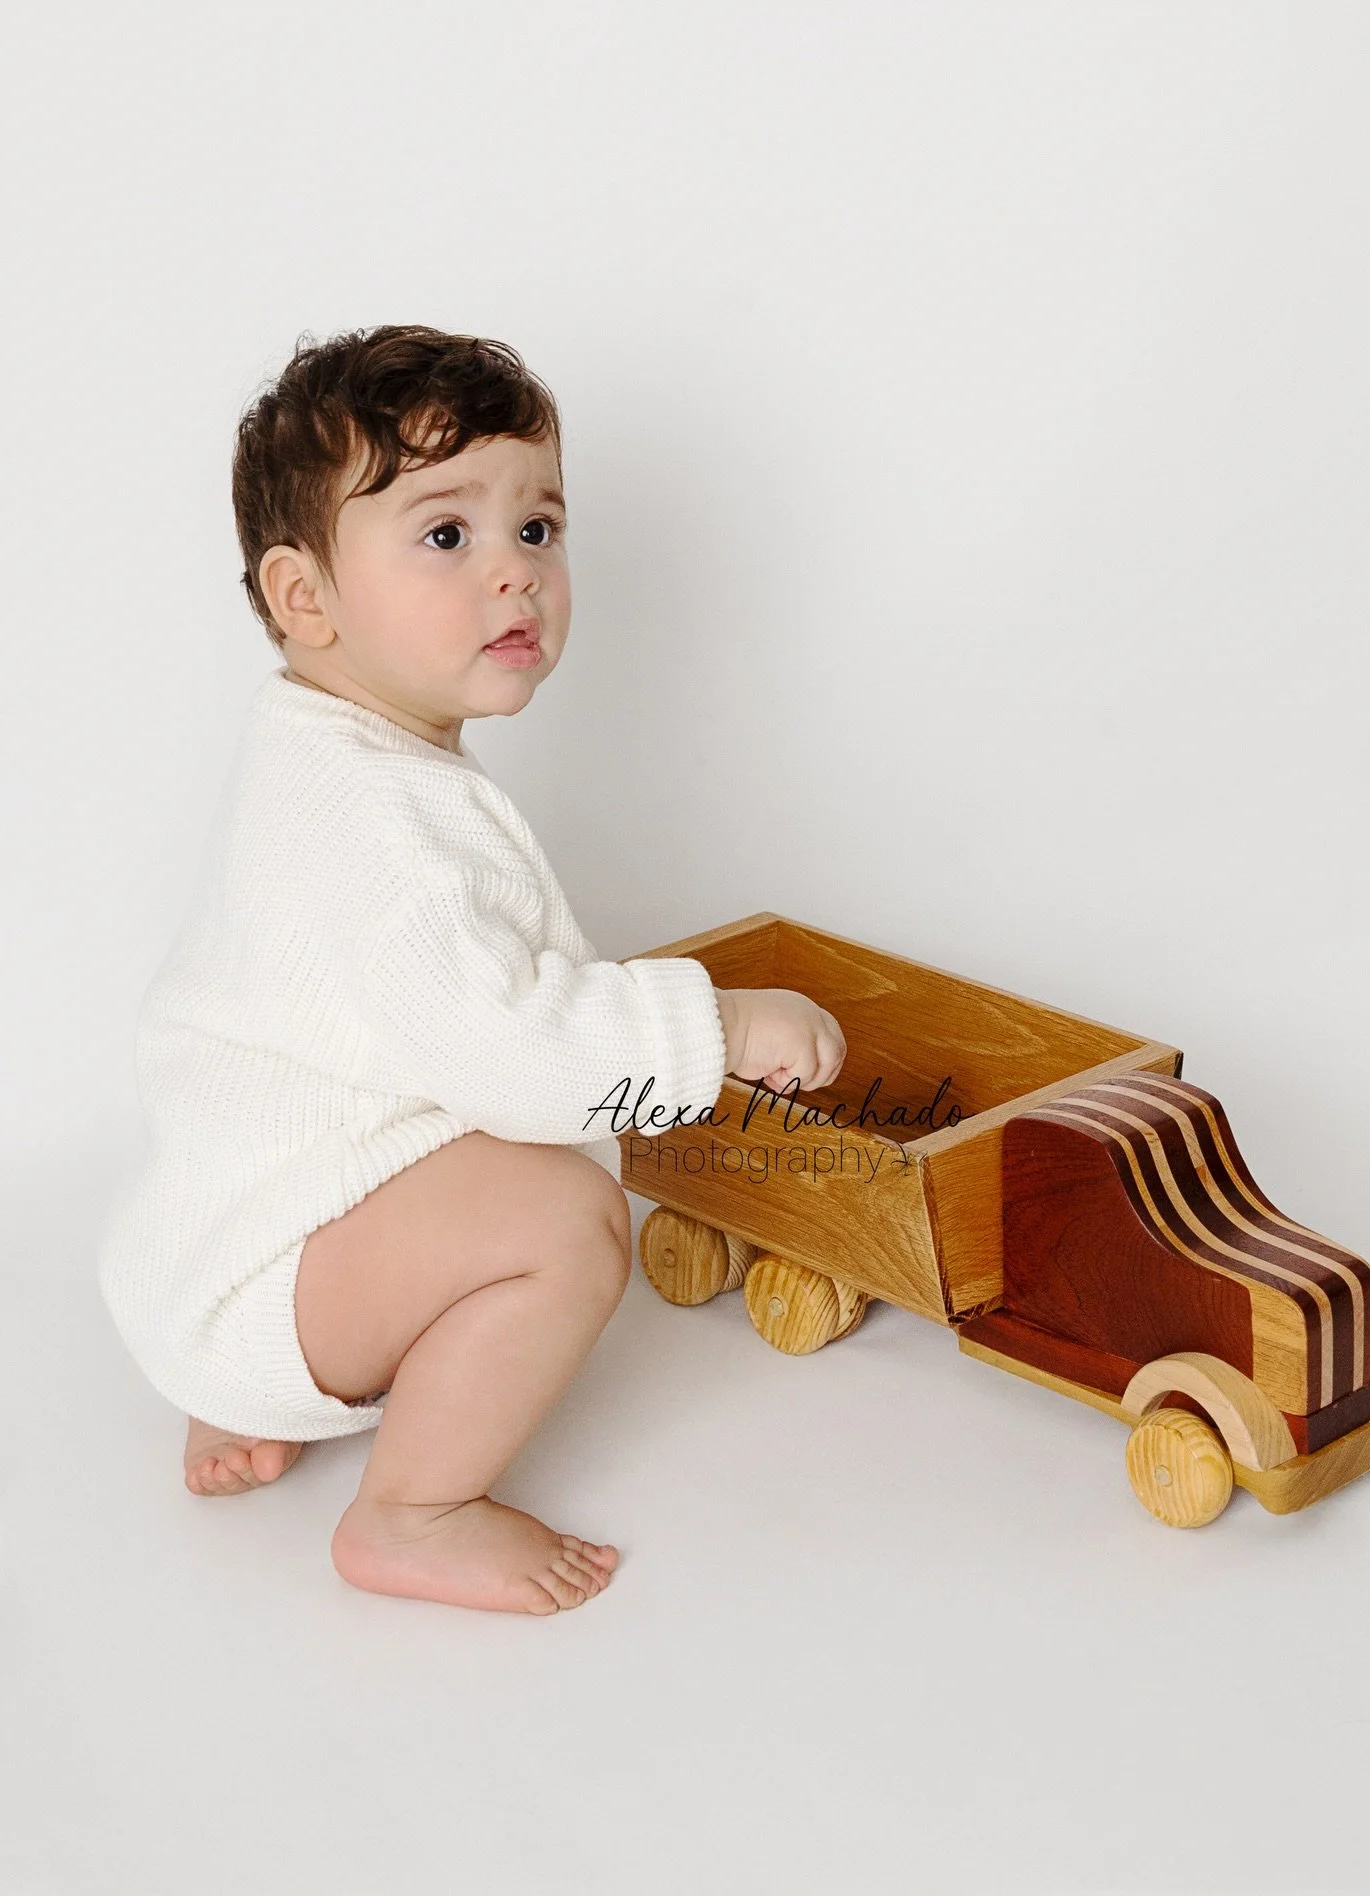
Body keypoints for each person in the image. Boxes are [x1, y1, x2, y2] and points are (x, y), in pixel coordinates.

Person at [96, 324, 846, 1616]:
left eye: (538, 529)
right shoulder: (376, 832)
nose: (515, 573)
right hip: (253, 1272)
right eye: (447, 534)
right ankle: (413, 1509)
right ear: (305, 599)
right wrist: (715, 1030)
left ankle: (247, 1390)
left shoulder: (334, 753)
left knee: (489, 1169)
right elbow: (517, 1056)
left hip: (216, 1229)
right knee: (567, 1224)